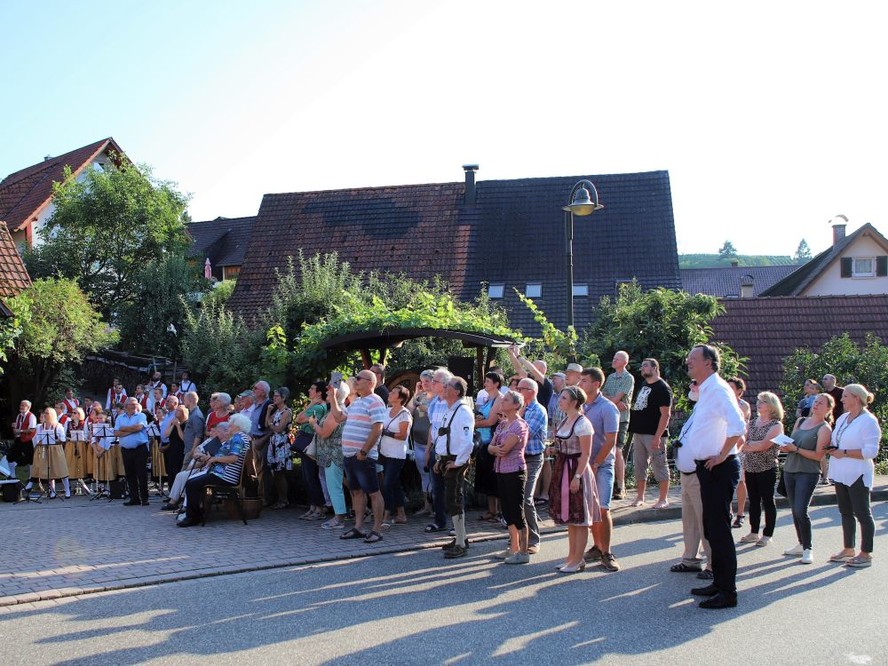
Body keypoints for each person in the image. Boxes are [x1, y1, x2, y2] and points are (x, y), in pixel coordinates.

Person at [683, 344, 747, 609]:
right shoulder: (706, 389)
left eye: (693, 359)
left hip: (718, 468)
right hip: (706, 468)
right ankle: (719, 583)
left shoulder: (719, 389)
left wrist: (721, 455)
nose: (688, 362)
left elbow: (739, 426)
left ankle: (728, 592)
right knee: (711, 528)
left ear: (708, 363)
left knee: (719, 532)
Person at [827, 384, 881, 568]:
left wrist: (845, 452)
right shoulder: (843, 417)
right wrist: (833, 449)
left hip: (858, 473)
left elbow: (871, 451)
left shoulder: (869, 421)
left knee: (862, 513)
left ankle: (866, 553)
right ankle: (848, 548)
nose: (841, 399)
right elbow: (837, 441)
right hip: (841, 472)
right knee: (845, 512)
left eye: (845, 396)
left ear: (856, 398)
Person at [332, 369, 387, 544]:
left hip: (364, 456)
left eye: (358, 379)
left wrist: (364, 451)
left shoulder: (375, 401)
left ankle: (377, 530)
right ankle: (358, 527)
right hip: (349, 455)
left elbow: (378, 428)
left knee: (373, 492)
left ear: (371, 383)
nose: (354, 381)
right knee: (356, 492)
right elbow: (339, 416)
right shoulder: (356, 402)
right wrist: (333, 397)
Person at [549, 386, 600, 573]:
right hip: (563, 468)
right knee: (571, 519)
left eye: (564, 398)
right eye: (560, 397)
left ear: (574, 402)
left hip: (576, 470)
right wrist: (555, 450)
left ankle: (578, 560)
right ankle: (571, 557)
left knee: (580, 518)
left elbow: (586, 454)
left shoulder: (583, 423)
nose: (560, 401)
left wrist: (577, 477)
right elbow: (564, 445)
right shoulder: (565, 421)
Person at [781, 392, 833, 564]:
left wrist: (795, 449)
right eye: (815, 402)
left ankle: (808, 548)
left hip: (808, 472)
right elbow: (791, 442)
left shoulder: (824, 428)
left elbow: (819, 456)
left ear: (828, 408)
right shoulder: (801, 421)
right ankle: (800, 543)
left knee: (801, 510)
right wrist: (785, 446)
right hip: (790, 469)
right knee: (794, 510)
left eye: (821, 403)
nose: (816, 405)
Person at [671, 380, 714, 580]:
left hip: (700, 472)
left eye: (695, 384)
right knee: (690, 520)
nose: (691, 387)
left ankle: (713, 564)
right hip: (687, 471)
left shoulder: (712, 407)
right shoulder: (699, 406)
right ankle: (690, 559)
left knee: (706, 520)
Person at [579, 368, 621, 572]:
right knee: (591, 510)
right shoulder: (581, 406)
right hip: (584, 465)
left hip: (602, 465)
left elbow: (611, 440)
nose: (580, 385)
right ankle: (597, 546)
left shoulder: (607, 408)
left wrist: (595, 463)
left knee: (603, 508)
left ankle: (607, 553)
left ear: (596, 384)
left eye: (584, 381)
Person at [178, 413, 250, 527]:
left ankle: (192, 517)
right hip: (221, 473)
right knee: (192, 482)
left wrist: (213, 459)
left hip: (225, 476)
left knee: (192, 484)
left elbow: (233, 458)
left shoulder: (238, 439)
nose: (229, 427)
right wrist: (210, 458)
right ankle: (195, 514)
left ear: (237, 426)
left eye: (230, 425)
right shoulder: (241, 437)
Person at [432, 376, 475, 559]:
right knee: (451, 500)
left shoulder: (463, 411)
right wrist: (438, 459)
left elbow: (467, 442)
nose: (444, 387)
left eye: (448, 385)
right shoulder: (450, 410)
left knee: (455, 500)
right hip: (447, 459)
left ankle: (460, 543)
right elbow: (443, 437)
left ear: (457, 391)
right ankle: (460, 537)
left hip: (456, 460)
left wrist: (457, 462)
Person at [738, 392, 784, 547]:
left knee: (768, 500)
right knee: (754, 500)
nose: (759, 404)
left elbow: (765, 445)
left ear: (771, 405)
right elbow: (741, 443)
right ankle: (753, 532)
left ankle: (768, 534)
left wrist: (750, 445)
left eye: (763, 401)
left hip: (767, 466)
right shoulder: (752, 422)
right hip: (750, 466)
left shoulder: (776, 425)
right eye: (758, 401)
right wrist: (752, 445)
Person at [489, 389, 530, 564]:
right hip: (501, 471)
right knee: (506, 510)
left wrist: (495, 449)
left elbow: (504, 449)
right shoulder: (501, 425)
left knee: (516, 510)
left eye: (506, 400)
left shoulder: (519, 425)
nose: (502, 402)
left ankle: (524, 551)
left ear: (515, 405)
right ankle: (513, 547)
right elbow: (491, 447)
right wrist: (494, 449)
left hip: (515, 471)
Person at [627, 358, 672, 509]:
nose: (642, 368)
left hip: (654, 433)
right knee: (640, 465)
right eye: (642, 365)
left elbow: (666, 414)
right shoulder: (644, 384)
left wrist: (658, 436)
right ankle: (640, 497)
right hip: (639, 432)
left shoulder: (662, 388)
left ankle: (663, 499)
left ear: (655, 368)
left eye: (645, 365)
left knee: (659, 464)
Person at [309, 381, 351, 530]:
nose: (327, 393)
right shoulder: (338, 410)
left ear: (337, 394)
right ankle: (340, 516)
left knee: (334, 487)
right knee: (336, 485)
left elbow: (325, 433)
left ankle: (339, 519)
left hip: (333, 455)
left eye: (330, 391)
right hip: (333, 453)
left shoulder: (336, 412)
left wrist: (313, 424)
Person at [516, 378, 547, 555]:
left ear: (532, 391)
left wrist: (516, 415)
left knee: (526, 498)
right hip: (516, 458)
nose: (517, 390)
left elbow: (524, 433)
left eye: (521, 388)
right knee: (514, 498)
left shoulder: (538, 410)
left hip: (532, 458)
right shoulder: (519, 408)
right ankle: (517, 537)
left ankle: (534, 539)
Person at [294, 381, 329, 520]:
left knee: (311, 476)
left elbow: (299, 419)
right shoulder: (315, 405)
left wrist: (311, 405)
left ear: (319, 392)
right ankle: (313, 506)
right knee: (307, 476)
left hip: (310, 442)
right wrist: (310, 404)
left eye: (312, 388)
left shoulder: (319, 408)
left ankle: (319, 508)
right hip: (307, 442)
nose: (309, 390)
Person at [378, 385, 412, 528]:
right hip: (384, 452)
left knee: (386, 484)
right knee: (394, 484)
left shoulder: (405, 414)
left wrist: (385, 433)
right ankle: (401, 514)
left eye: (393, 393)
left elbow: (402, 435)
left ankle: (386, 514)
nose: (390, 394)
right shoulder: (386, 410)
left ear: (401, 398)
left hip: (396, 455)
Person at [425, 368, 454, 534]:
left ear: (444, 385)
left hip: (450, 450)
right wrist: (429, 449)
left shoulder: (455, 403)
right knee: (437, 489)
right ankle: (439, 521)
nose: (431, 383)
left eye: (434, 381)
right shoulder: (434, 402)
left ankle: (457, 525)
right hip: (436, 449)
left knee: (454, 489)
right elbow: (432, 428)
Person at [602, 351, 634, 500]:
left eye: (617, 359)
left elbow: (615, 399)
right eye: (613, 358)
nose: (613, 361)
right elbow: (604, 397)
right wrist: (614, 400)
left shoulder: (628, 378)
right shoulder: (610, 377)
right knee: (608, 448)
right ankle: (612, 483)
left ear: (624, 362)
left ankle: (621, 486)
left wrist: (614, 400)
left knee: (617, 450)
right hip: (609, 417)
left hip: (621, 419)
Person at [474, 372, 505, 523]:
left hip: (492, 442)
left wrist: (473, 423)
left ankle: (498, 511)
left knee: (493, 478)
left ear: (496, 383)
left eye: (487, 381)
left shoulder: (499, 399)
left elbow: (491, 421)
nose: (485, 383)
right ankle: (491, 510)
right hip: (483, 442)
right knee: (485, 477)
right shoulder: (488, 399)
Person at [407, 369, 435, 517]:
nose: (424, 384)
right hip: (418, 442)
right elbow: (408, 411)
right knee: (424, 476)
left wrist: (427, 409)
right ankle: (427, 506)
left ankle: (437, 506)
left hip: (432, 444)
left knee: (434, 476)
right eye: (422, 382)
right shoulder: (420, 396)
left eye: (427, 382)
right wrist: (416, 394)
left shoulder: (437, 398)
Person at [726, 377, 751, 529]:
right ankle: (727, 511)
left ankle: (740, 513)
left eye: (731, 387)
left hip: (739, 448)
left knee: (740, 481)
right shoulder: (723, 402)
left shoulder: (742, 405)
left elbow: (742, 426)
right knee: (725, 483)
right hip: (724, 446)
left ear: (739, 391)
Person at [115, 397, 150, 506]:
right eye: (132, 404)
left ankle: (144, 498)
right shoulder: (120, 417)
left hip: (140, 449)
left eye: (136, 404)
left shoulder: (141, 415)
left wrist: (124, 429)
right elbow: (116, 432)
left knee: (142, 474)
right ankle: (134, 498)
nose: (135, 406)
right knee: (130, 474)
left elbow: (139, 427)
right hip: (126, 450)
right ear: (126, 406)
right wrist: (132, 430)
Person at [28, 407, 70, 498]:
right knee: (49, 471)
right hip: (45, 450)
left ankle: (67, 490)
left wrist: (52, 441)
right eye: (45, 413)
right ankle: (53, 491)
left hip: (56, 450)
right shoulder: (40, 426)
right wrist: (41, 442)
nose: (45, 415)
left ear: (51, 415)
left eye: (47, 413)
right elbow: (38, 439)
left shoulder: (58, 426)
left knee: (61, 469)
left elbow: (62, 439)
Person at [265, 387, 293, 510]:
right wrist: (268, 411)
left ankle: (284, 499)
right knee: (276, 473)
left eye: (277, 396)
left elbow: (279, 428)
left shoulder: (286, 412)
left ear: (283, 398)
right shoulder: (276, 411)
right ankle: (280, 499)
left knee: (280, 472)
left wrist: (271, 425)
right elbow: (267, 423)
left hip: (282, 443)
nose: (274, 398)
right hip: (274, 443)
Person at [248, 381, 273, 504]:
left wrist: (262, 440)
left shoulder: (269, 406)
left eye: (255, 388)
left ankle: (265, 498)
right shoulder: (256, 404)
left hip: (264, 440)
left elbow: (271, 427)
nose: (253, 390)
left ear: (263, 392)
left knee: (264, 469)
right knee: (257, 470)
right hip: (254, 440)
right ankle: (259, 495)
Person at [9, 400, 37, 482]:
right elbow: (17, 428)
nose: (21, 407)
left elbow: (32, 430)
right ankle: (12, 476)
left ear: (28, 407)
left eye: (23, 406)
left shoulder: (31, 416)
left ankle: (31, 477)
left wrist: (20, 431)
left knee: (29, 459)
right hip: (19, 439)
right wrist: (15, 427)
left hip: (28, 440)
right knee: (10, 456)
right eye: (21, 405)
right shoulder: (19, 416)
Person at [162, 404, 188, 492]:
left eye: (178, 411)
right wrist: (172, 425)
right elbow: (166, 434)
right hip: (171, 451)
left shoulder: (185, 423)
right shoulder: (173, 422)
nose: (176, 412)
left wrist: (178, 426)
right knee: (170, 473)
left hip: (180, 451)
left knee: (177, 472)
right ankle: (171, 493)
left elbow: (183, 438)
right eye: (176, 411)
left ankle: (178, 493)